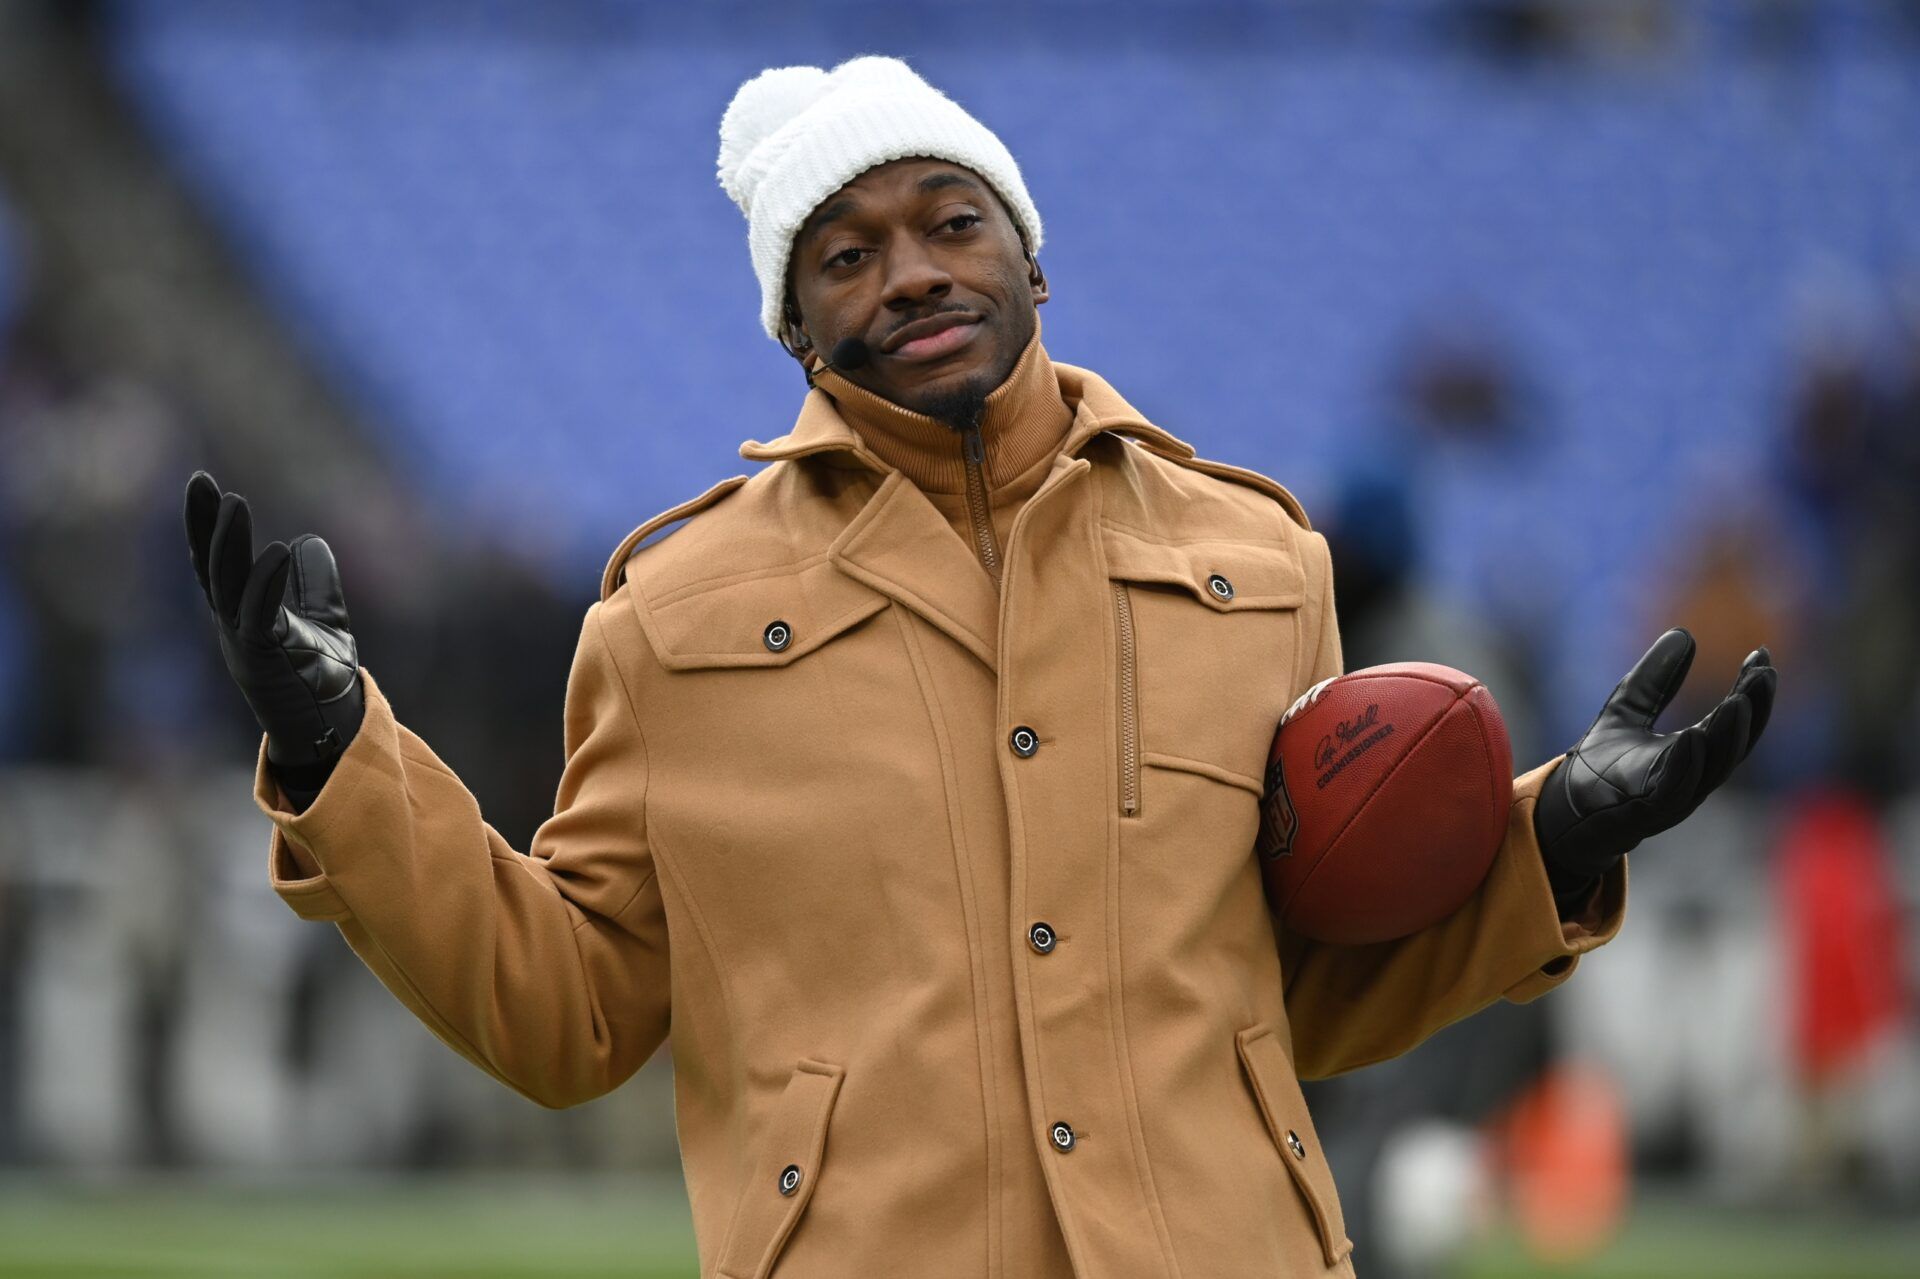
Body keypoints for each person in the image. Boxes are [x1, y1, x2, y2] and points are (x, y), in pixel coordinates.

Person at [182, 55, 1776, 1278]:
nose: (913, 273)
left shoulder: (1259, 567)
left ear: (1030, 256)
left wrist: (1550, 837)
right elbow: (567, 1016)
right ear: (796, 329)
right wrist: (343, 756)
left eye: (953, 224)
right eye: (848, 256)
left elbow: (1277, 1001)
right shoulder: (669, 619)